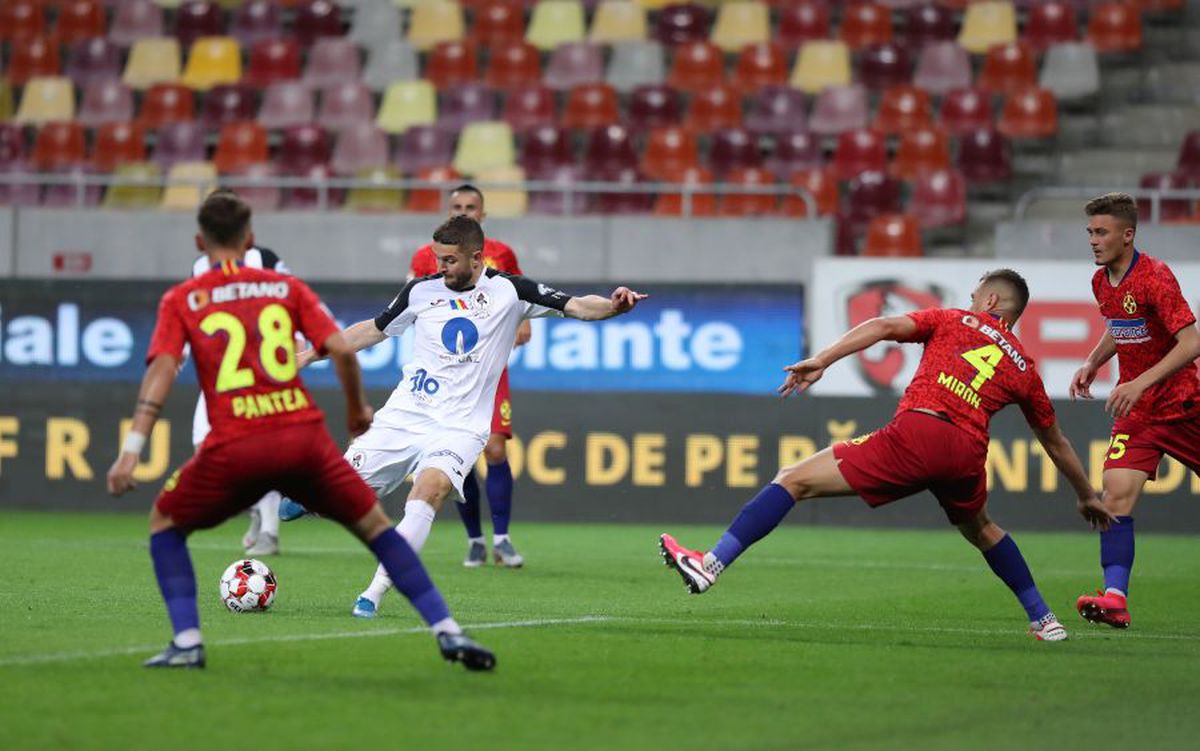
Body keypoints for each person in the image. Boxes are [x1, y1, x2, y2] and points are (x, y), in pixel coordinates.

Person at [105, 191, 495, 671]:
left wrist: (132, 448)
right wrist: (356, 412)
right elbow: (340, 346)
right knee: (377, 528)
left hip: (234, 440)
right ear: (250, 240)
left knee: (165, 524)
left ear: (198, 242)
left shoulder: (185, 298)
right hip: (298, 436)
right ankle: (447, 631)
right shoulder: (283, 288)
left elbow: (163, 370)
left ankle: (187, 642)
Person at [660, 269, 1113, 641]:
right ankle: (1044, 619)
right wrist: (1086, 493)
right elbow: (1055, 441)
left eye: (977, 295)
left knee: (793, 478)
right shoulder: (1026, 367)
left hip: (921, 430)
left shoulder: (954, 319)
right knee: (983, 529)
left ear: (991, 302)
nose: (972, 300)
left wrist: (824, 358)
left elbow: (881, 326)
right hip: (967, 453)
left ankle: (709, 565)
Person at [296, 215, 646, 619]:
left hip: (461, 427)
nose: (439, 268)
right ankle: (310, 500)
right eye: (437, 259)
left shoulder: (512, 291)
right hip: (406, 416)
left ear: (476, 257)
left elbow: (578, 306)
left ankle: (373, 592)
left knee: (428, 492)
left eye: (448, 260)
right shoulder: (420, 292)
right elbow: (370, 330)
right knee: (335, 500)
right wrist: (310, 354)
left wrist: (616, 306)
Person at [1069, 192, 1200, 630]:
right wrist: (1093, 361)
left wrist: (1140, 382)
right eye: (1090, 231)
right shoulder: (1100, 281)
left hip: (1183, 405)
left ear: (1127, 235)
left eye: (1101, 232)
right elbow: (1121, 328)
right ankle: (1115, 598)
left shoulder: (1155, 277)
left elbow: (1192, 342)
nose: (1093, 240)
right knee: (1115, 497)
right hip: (1139, 414)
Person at [409, 184, 530, 569]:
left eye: (471, 206)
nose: (465, 211)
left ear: (483, 213)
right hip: (447, 374)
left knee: (495, 448)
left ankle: (504, 539)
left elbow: (521, 299)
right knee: (455, 455)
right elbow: (412, 307)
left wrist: (523, 323)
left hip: (489, 371)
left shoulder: (501, 254)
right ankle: (475, 540)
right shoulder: (426, 257)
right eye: (457, 206)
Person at [190, 245, 292, 557]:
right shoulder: (200, 266)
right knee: (205, 450)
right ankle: (258, 512)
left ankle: (269, 532)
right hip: (221, 374)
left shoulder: (265, 259)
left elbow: (291, 296)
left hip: (260, 370)